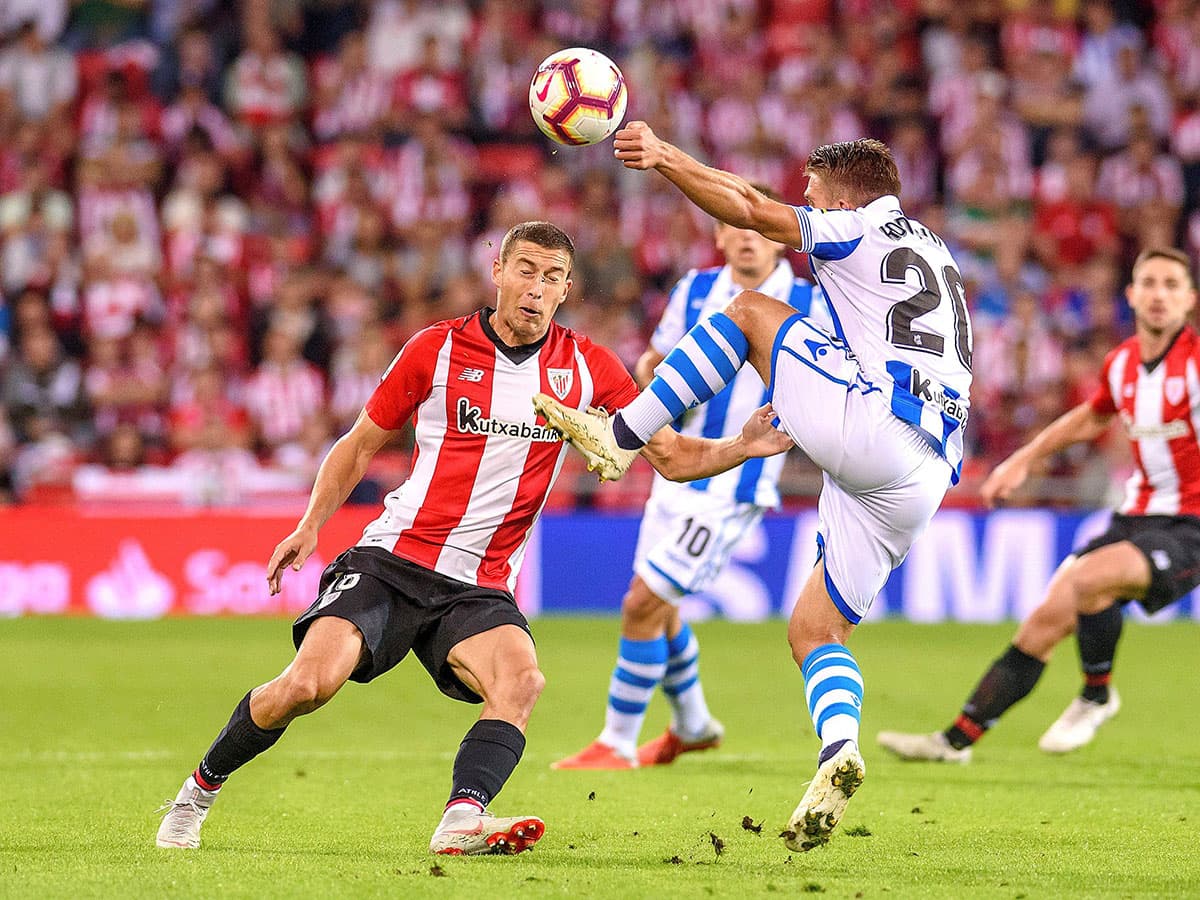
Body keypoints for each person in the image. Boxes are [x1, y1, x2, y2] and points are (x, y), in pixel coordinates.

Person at [155, 220, 791, 856]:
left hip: (480, 584)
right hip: (394, 560)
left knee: (522, 683)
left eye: (551, 277)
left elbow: (671, 456)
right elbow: (359, 445)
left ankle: (461, 819)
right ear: (498, 272)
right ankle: (196, 793)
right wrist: (310, 523)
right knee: (306, 686)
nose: (535, 288)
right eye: (525, 271)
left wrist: (744, 445)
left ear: (567, 289)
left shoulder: (589, 367)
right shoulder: (435, 348)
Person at [534, 123, 972, 851]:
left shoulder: (857, 226)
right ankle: (839, 751)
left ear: (840, 195)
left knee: (745, 315)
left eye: (810, 193)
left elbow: (746, 207)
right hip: (927, 468)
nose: (803, 203)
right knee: (815, 630)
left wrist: (666, 155)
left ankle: (616, 439)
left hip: (872, 424)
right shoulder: (936, 251)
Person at [878, 247, 1200, 763]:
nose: (1159, 295)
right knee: (1046, 618)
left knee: (1089, 579)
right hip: (1134, 517)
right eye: (1150, 283)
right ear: (1132, 295)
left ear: (1189, 299)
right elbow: (1090, 418)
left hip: (1189, 526)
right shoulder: (1121, 364)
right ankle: (955, 741)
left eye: (1171, 285)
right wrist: (1022, 460)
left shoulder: (1196, 365)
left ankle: (1096, 694)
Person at [553, 188, 832, 770]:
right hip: (674, 468)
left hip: (736, 482)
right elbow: (655, 361)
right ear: (722, 235)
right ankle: (696, 724)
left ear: (778, 238)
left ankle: (617, 741)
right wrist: (651, 374)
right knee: (661, 605)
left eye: (759, 228)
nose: (749, 237)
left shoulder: (808, 303)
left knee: (641, 603)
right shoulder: (694, 290)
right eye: (738, 227)